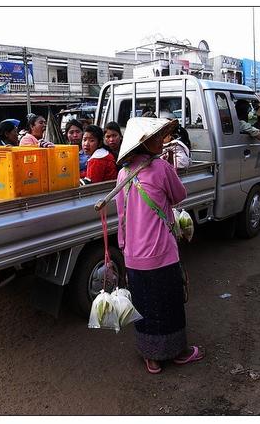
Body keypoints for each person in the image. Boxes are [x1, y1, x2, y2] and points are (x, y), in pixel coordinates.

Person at [115, 117, 204, 375]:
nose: (161, 140)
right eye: (155, 137)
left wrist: (123, 247)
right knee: (169, 304)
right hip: (161, 252)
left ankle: (150, 357)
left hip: (132, 253)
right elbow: (180, 196)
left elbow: (121, 215)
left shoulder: (122, 174)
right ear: (142, 143)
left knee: (144, 305)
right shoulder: (161, 168)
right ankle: (178, 352)